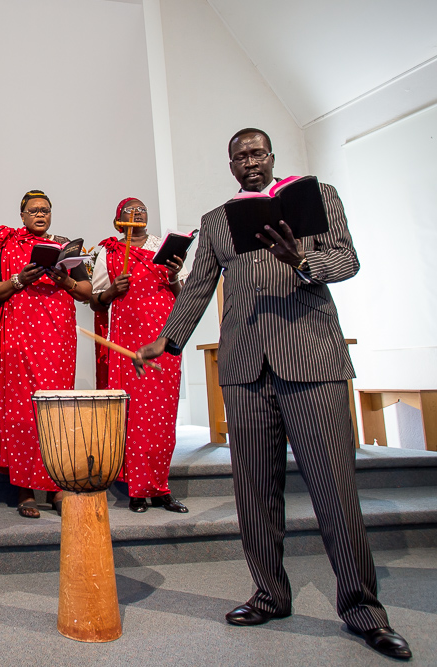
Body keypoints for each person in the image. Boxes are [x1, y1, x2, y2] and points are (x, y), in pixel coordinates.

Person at [137, 128, 411, 660]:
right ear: (232, 165)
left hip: (312, 362)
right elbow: (198, 287)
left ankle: (363, 610)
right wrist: (166, 341)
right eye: (238, 156)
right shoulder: (219, 220)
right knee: (254, 490)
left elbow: (347, 260)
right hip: (244, 369)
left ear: (272, 156)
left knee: (334, 489)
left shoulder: (315, 198)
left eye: (256, 152)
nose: (249, 162)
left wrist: (302, 262)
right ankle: (269, 593)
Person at [0, 190, 92, 518]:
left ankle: (54, 488)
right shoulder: (7, 245)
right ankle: (24, 489)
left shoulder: (66, 246)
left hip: (58, 337)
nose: (41, 215)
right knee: (23, 411)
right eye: (34, 210)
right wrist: (18, 279)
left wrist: (64, 279)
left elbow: (86, 292)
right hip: (20, 337)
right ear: (22, 215)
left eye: (46, 210)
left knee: (55, 409)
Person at [89, 198, 188, 513]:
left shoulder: (164, 247)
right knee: (135, 416)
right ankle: (136, 489)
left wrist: (173, 278)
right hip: (129, 340)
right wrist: (112, 291)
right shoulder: (111, 252)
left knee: (163, 415)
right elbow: (96, 301)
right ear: (119, 221)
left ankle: (160, 487)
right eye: (130, 210)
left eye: (142, 209)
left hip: (163, 338)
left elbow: (186, 298)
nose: (138, 212)